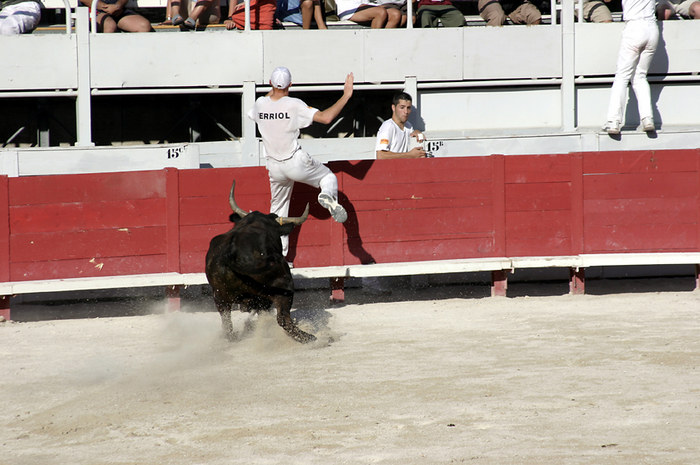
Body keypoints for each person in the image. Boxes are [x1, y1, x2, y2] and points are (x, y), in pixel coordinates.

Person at [248, 66, 353, 259]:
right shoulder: (294, 104)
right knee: (328, 177)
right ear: (291, 84)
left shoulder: (260, 104)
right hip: (295, 161)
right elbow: (326, 117)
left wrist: (274, 89)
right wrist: (346, 95)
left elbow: (260, 105)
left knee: (278, 212)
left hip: (274, 166)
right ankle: (327, 195)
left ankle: (280, 259)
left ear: (270, 83)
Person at [602, 0, 658, 135]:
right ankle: (647, 118)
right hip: (652, 28)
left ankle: (613, 121)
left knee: (622, 76)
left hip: (634, 27)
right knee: (640, 76)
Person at [376, 92, 426, 159]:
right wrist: (409, 155)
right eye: (402, 107)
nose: (406, 111)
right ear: (393, 108)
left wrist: (416, 132)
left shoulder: (408, 126)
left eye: (408, 108)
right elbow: (381, 156)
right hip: (389, 169)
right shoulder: (388, 126)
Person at [80, 0, 154, 32]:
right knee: (109, 25)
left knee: (143, 26)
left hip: (117, 9)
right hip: (93, 9)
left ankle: (137, 58)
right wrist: (104, 6)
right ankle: (106, 56)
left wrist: (118, 5)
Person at [335, 0, 402, 27]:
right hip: (348, 7)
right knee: (380, 12)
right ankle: (373, 47)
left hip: (365, 4)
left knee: (395, 14)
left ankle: (385, 46)